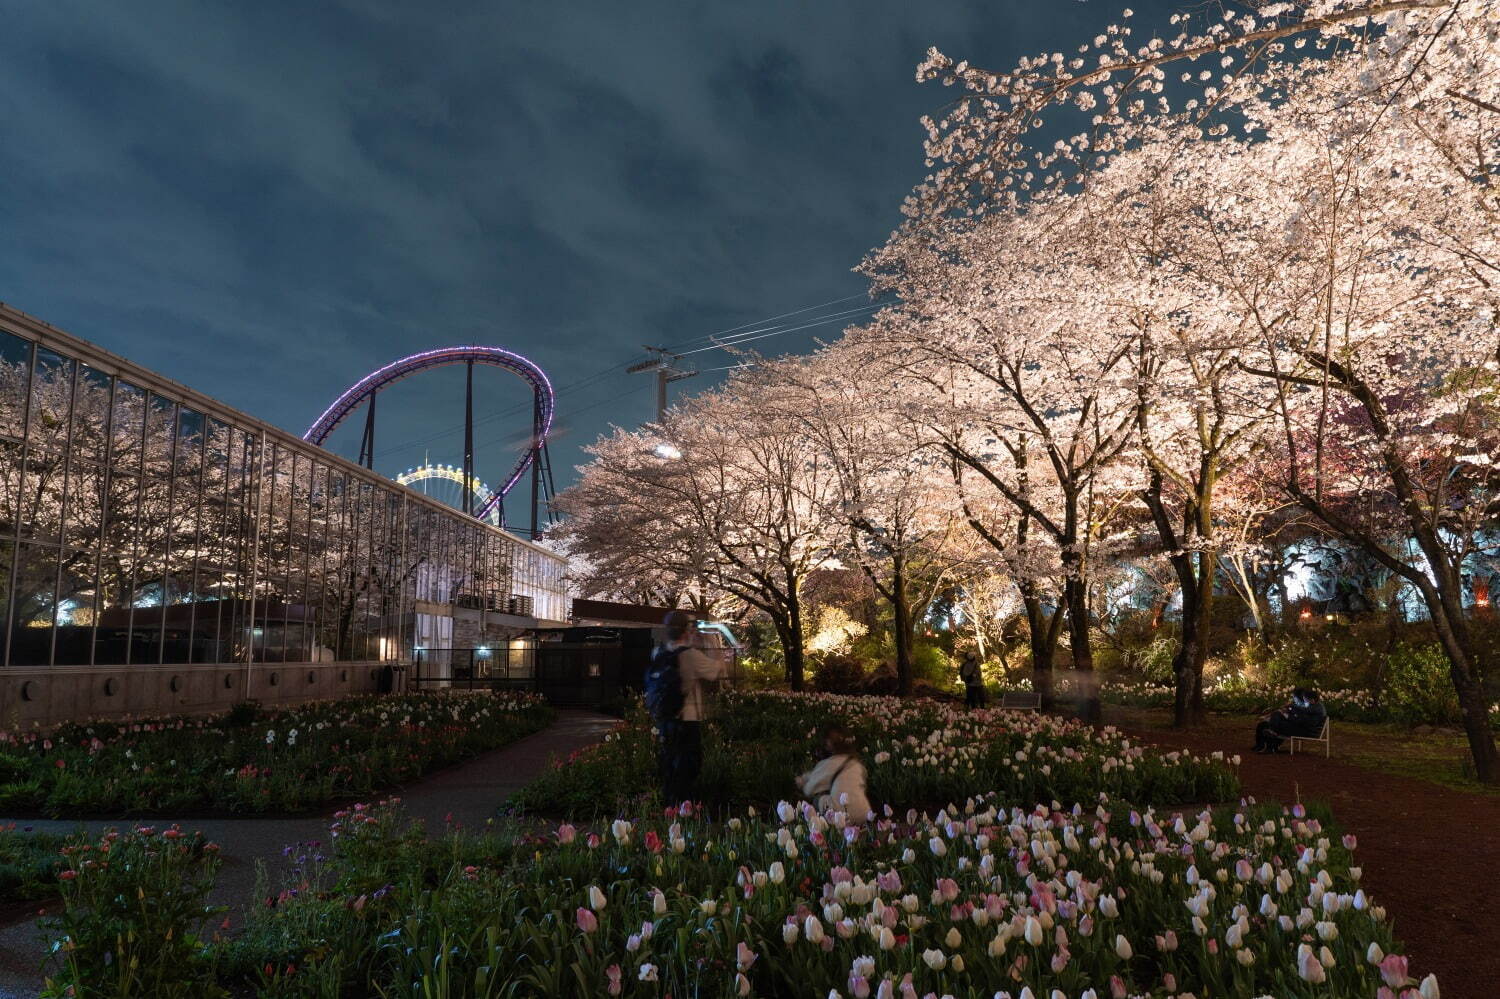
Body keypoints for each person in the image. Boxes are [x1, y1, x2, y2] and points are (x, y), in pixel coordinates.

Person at [652, 610, 728, 807]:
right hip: (687, 719)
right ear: (686, 631)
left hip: (665, 719)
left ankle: (669, 806)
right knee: (688, 767)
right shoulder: (691, 656)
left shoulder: (658, 653)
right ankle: (684, 808)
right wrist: (712, 641)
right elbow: (717, 670)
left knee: (669, 764)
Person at [795, 725, 871, 822]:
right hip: (864, 813)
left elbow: (809, 789)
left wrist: (801, 783)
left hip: (840, 816)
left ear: (829, 745)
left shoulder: (830, 763)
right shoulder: (857, 764)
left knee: (817, 799)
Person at [1253, 687, 1327, 754]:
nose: (1305, 703)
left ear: (1312, 700)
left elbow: (1302, 720)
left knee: (1275, 724)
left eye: (1306, 701)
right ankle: (1270, 744)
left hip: (1306, 731)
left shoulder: (1315, 708)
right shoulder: (1314, 707)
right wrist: (1289, 712)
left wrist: (1290, 713)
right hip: (1304, 728)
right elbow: (1301, 716)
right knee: (1275, 718)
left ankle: (1271, 744)